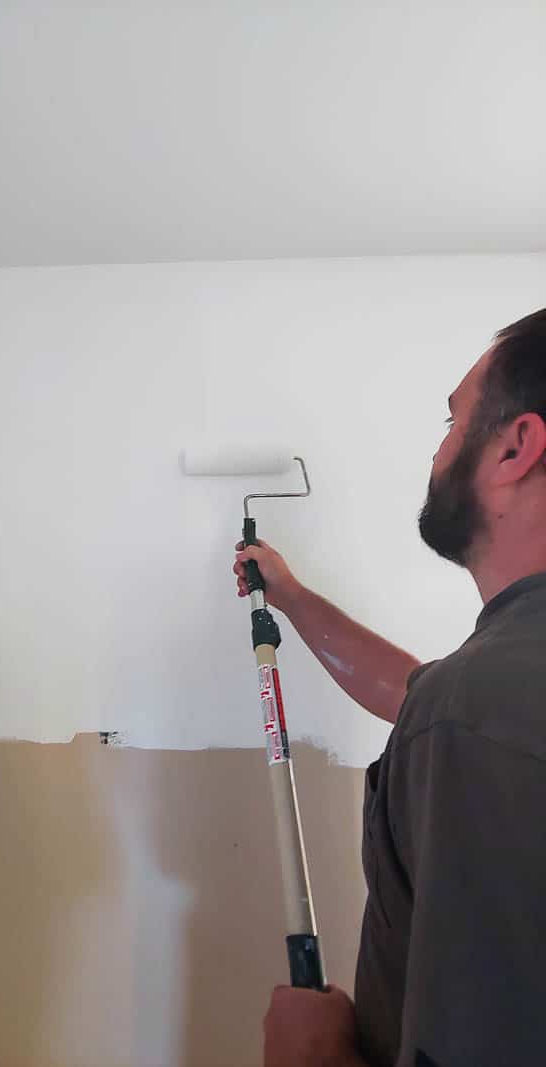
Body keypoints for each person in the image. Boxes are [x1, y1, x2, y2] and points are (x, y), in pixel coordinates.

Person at [233, 308, 546, 1067]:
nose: (438, 450)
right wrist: (294, 597)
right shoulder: (489, 693)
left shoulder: (478, 709)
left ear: (515, 446)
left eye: (451, 422)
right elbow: (419, 698)